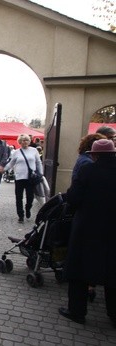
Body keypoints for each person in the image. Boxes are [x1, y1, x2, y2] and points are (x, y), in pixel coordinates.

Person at [58, 139, 116, 326]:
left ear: (95, 154)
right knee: (112, 270)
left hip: (88, 227)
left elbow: (74, 198)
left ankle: (77, 311)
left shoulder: (88, 170)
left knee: (79, 269)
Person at [0, 134, 43, 223]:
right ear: (19, 142)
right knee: (19, 197)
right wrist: (3, 170)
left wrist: (41, 173)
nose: (25, 142)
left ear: (29, 141)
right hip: (19, 177)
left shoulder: (34, 150)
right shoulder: (16, 152)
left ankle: (28, 208)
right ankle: (20, 215)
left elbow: (38, 162)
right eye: (23, 140)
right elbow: (11, 163)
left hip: (30, 178)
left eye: (26, 140)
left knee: (30, 197)